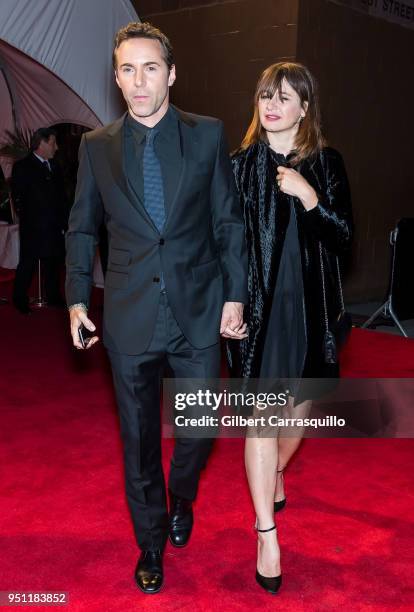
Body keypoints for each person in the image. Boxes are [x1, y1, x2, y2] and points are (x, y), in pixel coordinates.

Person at [65, 22, 248, 594]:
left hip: (198, 309)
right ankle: (149, 541)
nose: (138, 81)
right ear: (116, 78)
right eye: (126, 69)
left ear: (171, 74)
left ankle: (182, 497)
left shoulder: (207, 134)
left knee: (197, 429)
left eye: (149, 68)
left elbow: (227, 220)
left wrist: (235, 293)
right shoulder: (96, 147)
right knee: (139, 439)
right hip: (129, 313)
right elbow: (80, 226)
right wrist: (74, 298)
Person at [228, 62, 353, 594]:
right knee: (260, 421)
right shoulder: (237, 167)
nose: (272, 104)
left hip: (311, 317)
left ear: (304, 108)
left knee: (294, 421)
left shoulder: (327, 163)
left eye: (283, 97)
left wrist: (308, 197)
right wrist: (226, 304)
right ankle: (266, 534)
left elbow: (345, 237)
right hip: (256, 320)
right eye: (264, 95)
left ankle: (276, 472)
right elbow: (223, 246)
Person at [12, 128, 67, 313]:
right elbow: (18, 197)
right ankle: (20, 299)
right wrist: (30, 219)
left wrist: (64, 222)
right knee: (27, 263)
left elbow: (62, 197)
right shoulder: (22, 166)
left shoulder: (56, 166)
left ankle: (54, 296)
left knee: (54, 262)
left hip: (55, 225)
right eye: (53, 143)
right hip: (34, 227)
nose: (56, 147)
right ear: (42, 144)